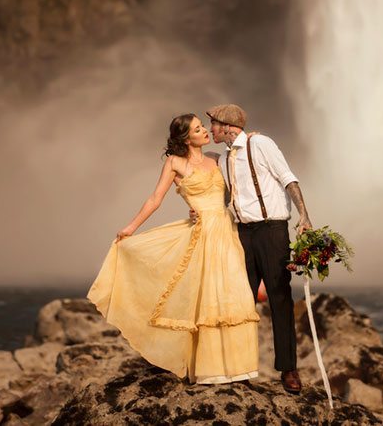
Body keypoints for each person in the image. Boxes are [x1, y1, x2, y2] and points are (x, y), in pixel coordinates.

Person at [87, 113, 259, 384]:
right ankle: (210, 369)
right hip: (202, 234)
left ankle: (239, 368)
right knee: (206, 300)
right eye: (198, 129)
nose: (205, 131)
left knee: (233, 294)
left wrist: (252, 140)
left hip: (227, 230)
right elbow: (155, 198)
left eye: (203, 127)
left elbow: (241, 185)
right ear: (185, 138)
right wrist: (131, 228)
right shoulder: (175, 163)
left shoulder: (217, 157)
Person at [206, 104, 312, 394]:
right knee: (242, 300)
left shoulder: (260, 143)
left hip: (272, 230)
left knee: (279, 297)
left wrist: (305, 216)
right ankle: (238, 368)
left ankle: (288, 370)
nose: (210, 129)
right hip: (242, 233)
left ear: (227, 125)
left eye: (213, 124)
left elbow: (288, 177)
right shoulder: (224, 158)